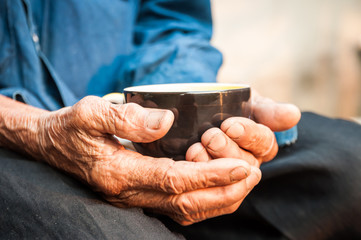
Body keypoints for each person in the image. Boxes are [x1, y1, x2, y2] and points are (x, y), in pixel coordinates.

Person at [0, 1, 360, 239]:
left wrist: (177, 111)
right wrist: (33, 128)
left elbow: (173, 20)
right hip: (11, 139)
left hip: (132, 123)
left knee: (351, 168)